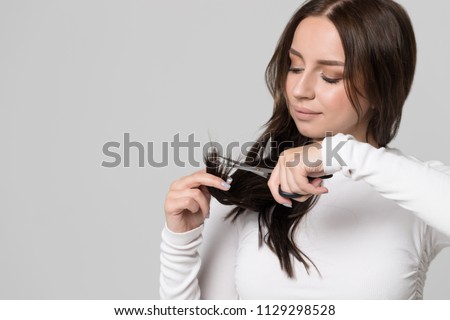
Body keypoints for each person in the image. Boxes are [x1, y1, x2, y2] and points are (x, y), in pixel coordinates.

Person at [160, 0, 450, 299]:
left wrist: (340, 152)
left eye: (330, 77)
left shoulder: (417, 190)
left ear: (382, 87)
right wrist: (180, 243)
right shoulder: (251, 188)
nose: (299, 90)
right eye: (295, 67)